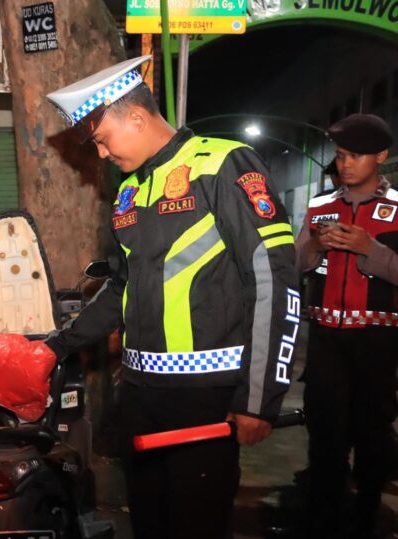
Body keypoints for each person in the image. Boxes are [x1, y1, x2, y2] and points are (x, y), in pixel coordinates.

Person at [41, 56, 300, 538]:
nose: (100, 155)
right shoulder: (127, 191)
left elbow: (273, 278)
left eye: (102, 140)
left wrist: (259, 398)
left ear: (136, 117)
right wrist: (54, 346)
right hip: (140, 397)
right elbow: (121, 285)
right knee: (150, 521)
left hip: (204, 400)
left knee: (194, 526)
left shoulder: (221, 164)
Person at [296, 113, 396, 538]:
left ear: (381, 157)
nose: (345, 164)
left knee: (372, 431)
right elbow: (293, 264)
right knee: (324, 431)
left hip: (378, 340)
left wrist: (368, 249)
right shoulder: (319, 206)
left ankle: (366, 517)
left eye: (355, 155)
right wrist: (315, 245)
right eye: (340, 156)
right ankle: (323, 517)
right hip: (325, 339)